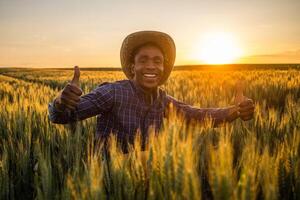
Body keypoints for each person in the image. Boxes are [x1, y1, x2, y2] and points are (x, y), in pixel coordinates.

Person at [48, 30, 254, 153]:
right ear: (131, 68)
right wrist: (61, 102)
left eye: (157, 61)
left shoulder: (163, 101)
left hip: (147, 182)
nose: (151, 66)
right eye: (143, 60)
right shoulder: (112, 93)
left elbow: (197, 116)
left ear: (163, 69)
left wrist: (235, 110)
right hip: (111, 184)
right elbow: (62, 116)